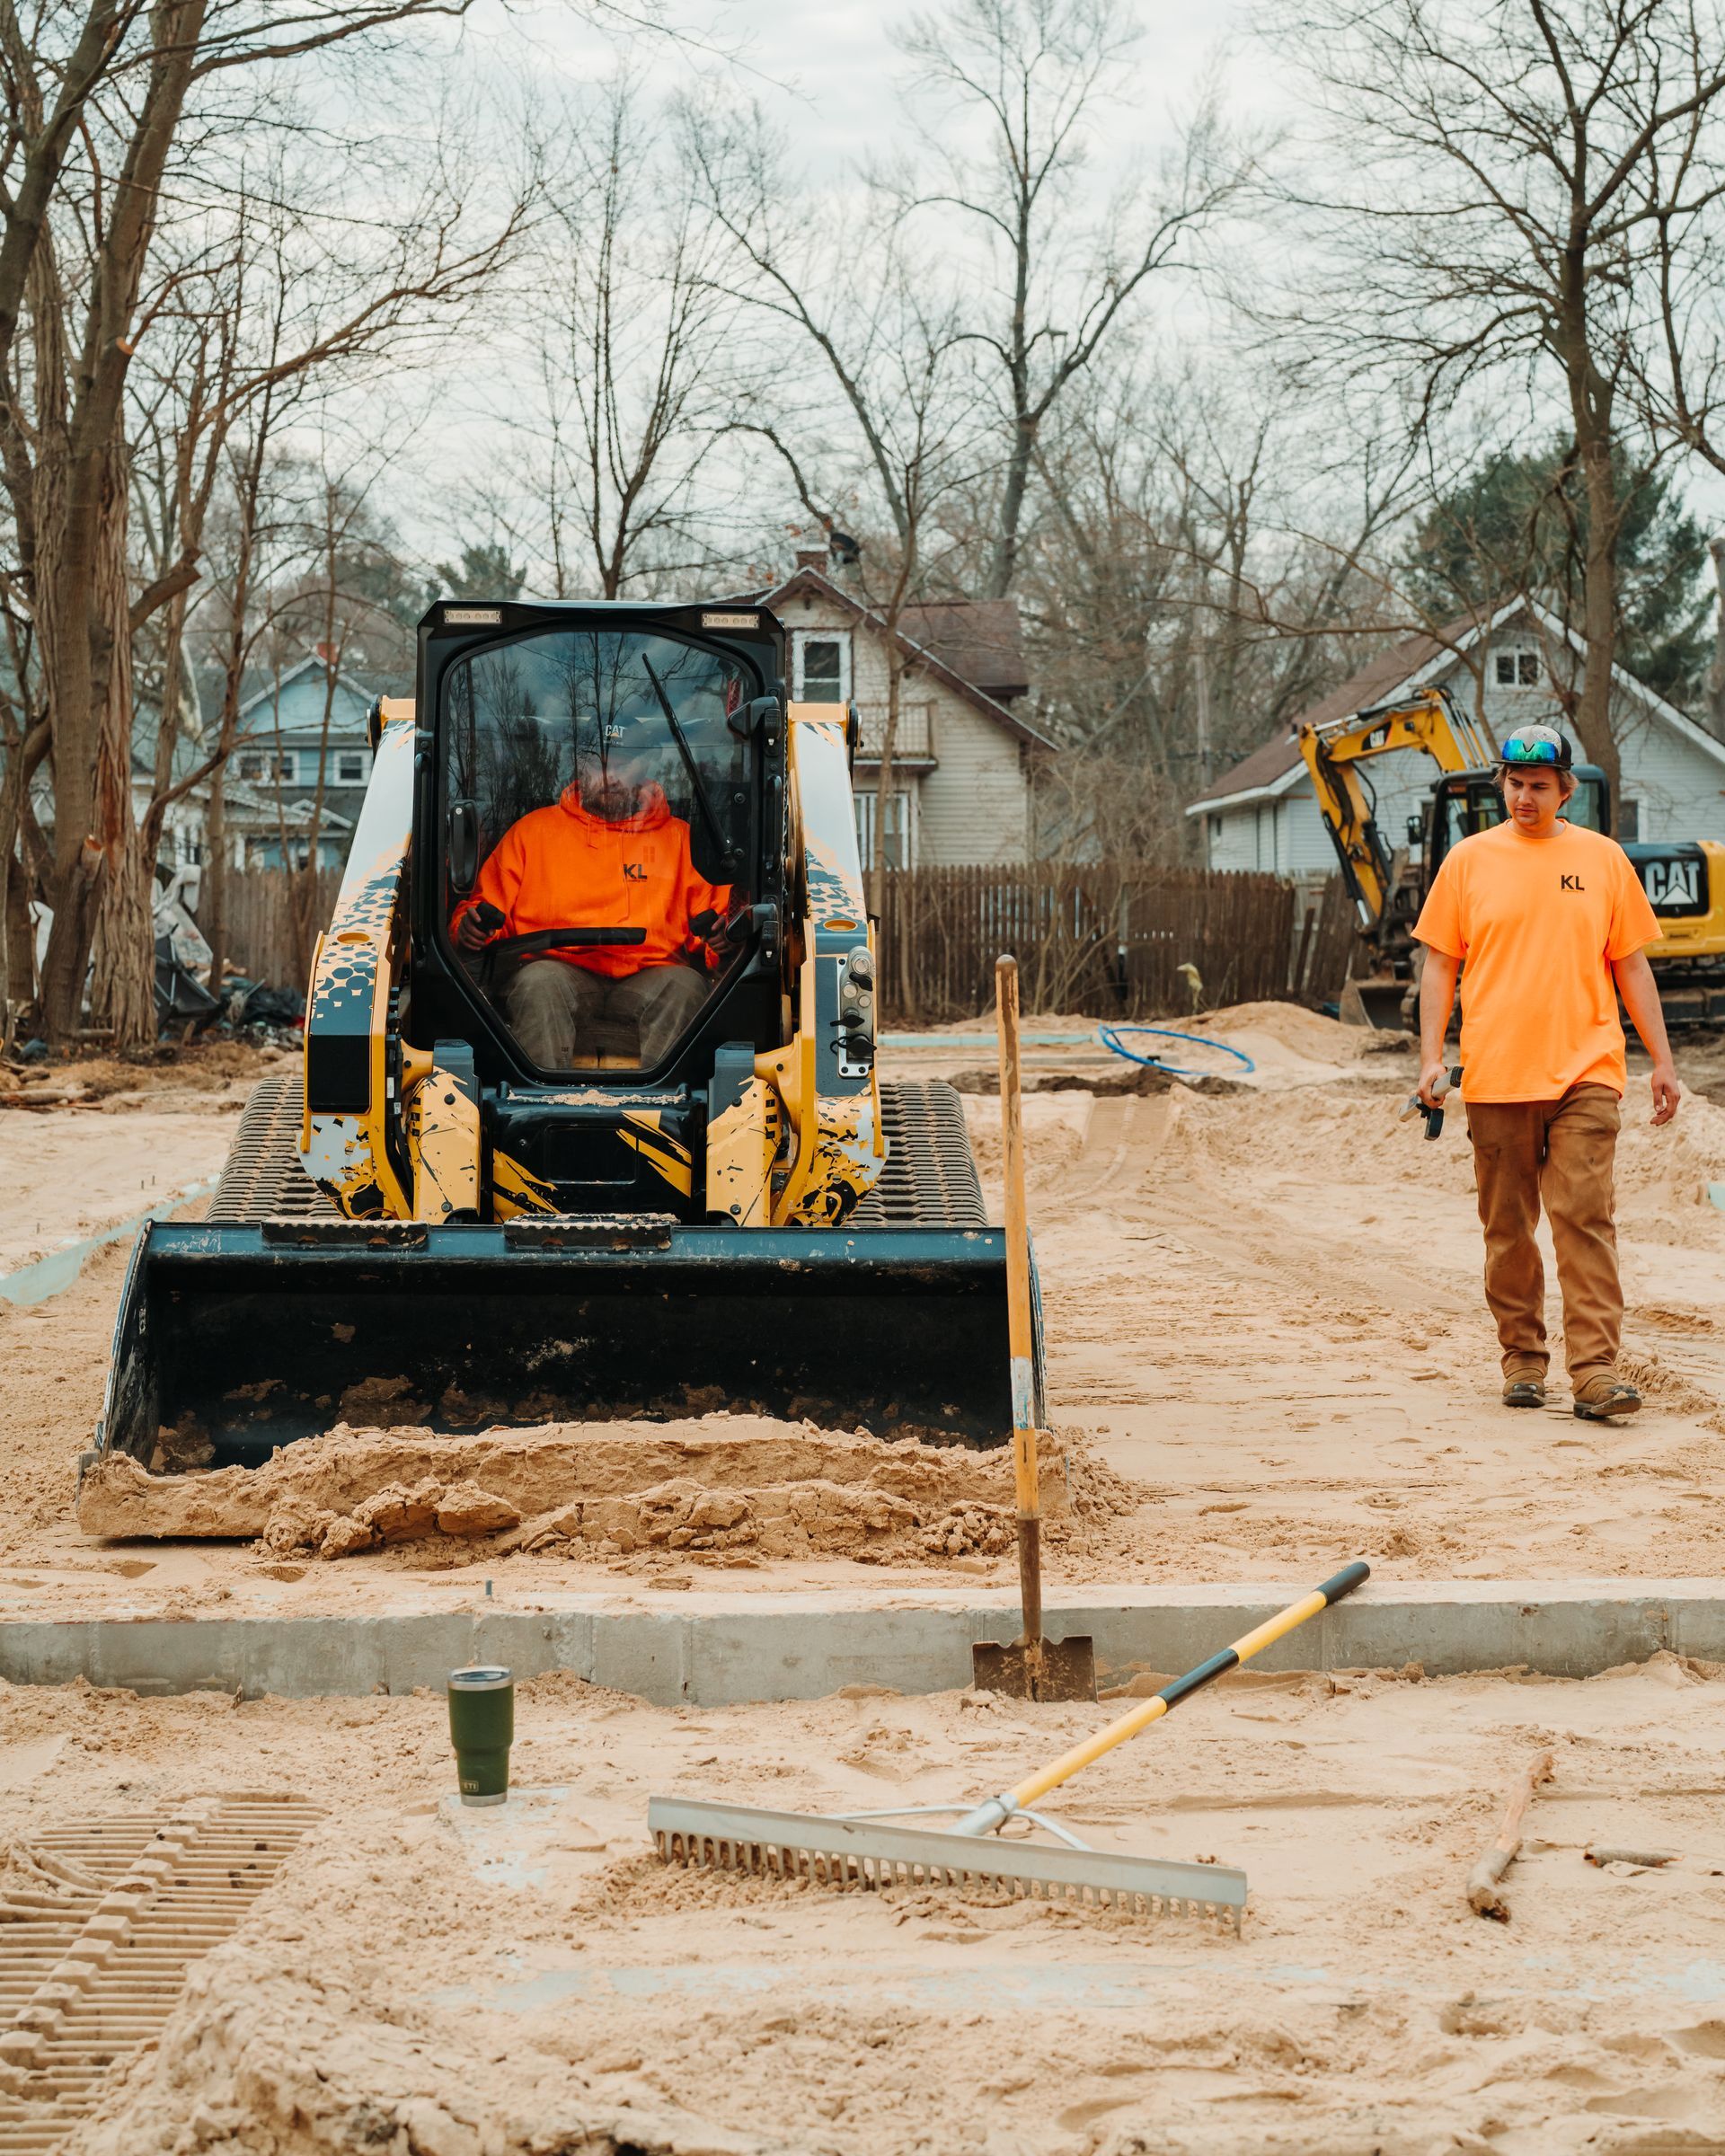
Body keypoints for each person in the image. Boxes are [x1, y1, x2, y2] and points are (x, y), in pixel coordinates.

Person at [1413, 723, 1679, 1421]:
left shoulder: (1602, 860)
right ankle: (1523, 1360)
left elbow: (1630, 963)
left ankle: (1594, 1372)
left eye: (1538, 785)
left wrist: (1663, 1060)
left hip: (1586, 1071)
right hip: (1498, 1076)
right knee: (1507, 1228)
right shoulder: (1468, 862)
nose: (1523, 797)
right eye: (1513, 784)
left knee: (1583, 1219)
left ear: (1566, 789)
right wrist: (1431, 1056)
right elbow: (1440, 963)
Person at [452, 710, 732, 1067]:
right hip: (559, 971)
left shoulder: (682, 840)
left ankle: (662, 1111)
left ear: (645, 765)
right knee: (538, 981)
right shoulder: (533, 832)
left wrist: (722, 942)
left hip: (649, 975)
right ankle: (541, 1107)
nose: (610, 777)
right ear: (580, 767)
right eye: (599, 765)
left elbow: (714, 929)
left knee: (685, 986)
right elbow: (482, 911)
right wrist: (469, 929)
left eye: (622, 764)